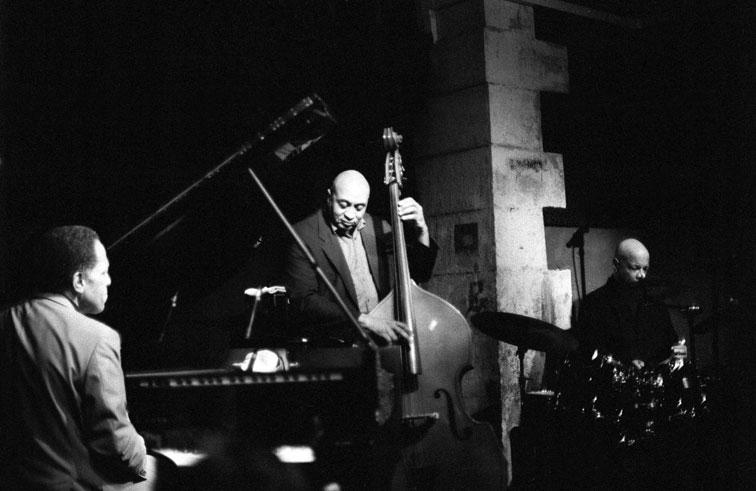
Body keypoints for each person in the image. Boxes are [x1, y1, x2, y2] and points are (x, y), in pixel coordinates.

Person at [0, 225, 150, 490]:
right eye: (103, 272)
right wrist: (142, 448)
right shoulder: (98, 338)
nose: (109, 281)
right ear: (79, 281)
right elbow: (117, 450)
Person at [282, 169, 437, 345]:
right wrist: (366, 321)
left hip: (385, 343)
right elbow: (304, 301)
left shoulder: (380, 227)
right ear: (329, 196)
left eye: (359, 207)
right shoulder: (302, 235)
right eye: (343, 204)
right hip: (339, 346)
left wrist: (421, 228)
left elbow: (421, 273)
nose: (350, 215)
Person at [576, 238, 685, 369]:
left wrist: (677, 351)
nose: (642, 275)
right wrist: (624, 362)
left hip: (653, 383)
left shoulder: (654, 302)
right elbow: (589, 351)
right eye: (635, 268)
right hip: (612, 384)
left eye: (645, 269)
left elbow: (670, 343)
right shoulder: (594, 303)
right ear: (616, 265)